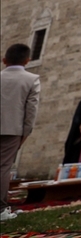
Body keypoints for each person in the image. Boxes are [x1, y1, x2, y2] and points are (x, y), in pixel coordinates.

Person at [1, 44, 40, 221]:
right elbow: (31, 110)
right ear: (27, 60)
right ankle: (1, 209)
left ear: (4, 60)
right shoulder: (31, 79)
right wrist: (26, 133)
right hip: (12, 129)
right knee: (3, 168)